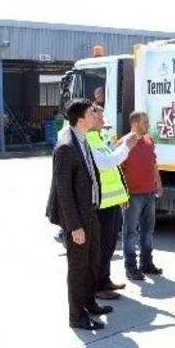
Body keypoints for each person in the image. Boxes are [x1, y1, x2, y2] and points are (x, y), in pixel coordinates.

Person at [45, 99, 112, 330]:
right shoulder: (66, 147)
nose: (96, 115)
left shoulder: (83, 140)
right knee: (78, 267)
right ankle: (76, 316)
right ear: (81, 119)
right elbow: (63, 191)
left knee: (92, 262)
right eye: (92, 112)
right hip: (77, 219)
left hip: (91, 212)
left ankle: (89, 303)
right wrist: (74, 227)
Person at [86, 105, 141, 300]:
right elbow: (107, 163)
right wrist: (126, 147)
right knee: (101, 246)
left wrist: (120, 146)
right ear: (89, 119)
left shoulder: (97, 138)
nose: (103, 121)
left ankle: (105, 280)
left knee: (108, 245)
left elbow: (109, 158)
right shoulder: (88, 140)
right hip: (101, 205)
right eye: (99, 118)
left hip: (110, 202)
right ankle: (98, 287)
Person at [121, 111, 163, 281]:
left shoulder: (149, 140)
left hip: (149, 193)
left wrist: (158, 183)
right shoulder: (124, 143)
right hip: (133, 195)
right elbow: (119, 171)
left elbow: (153, 164)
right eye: (145, 122)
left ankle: (146, 264)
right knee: (130, 233)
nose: (147, 124)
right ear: (135, 123)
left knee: (148, 231)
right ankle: (130, 267)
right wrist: (123, 195)